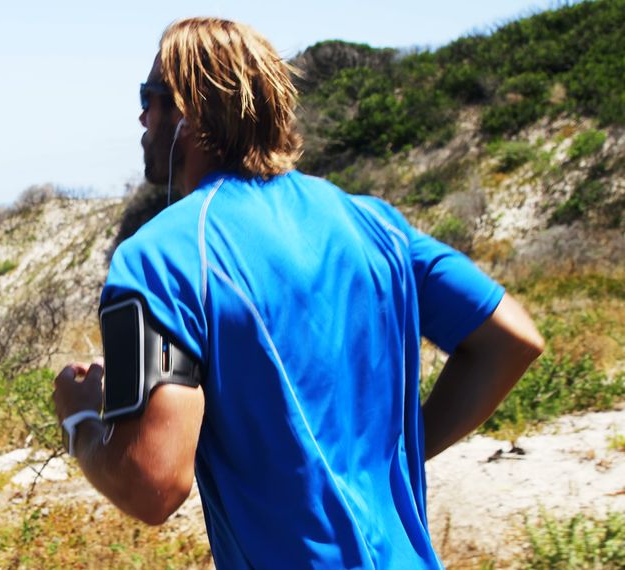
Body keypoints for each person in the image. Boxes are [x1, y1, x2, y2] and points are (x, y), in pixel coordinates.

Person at [51, 17, 544, 569]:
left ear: (189, 110)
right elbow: (512, 340)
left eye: (150, 97)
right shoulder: (375, 223)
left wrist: (79, 421)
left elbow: (153, 484)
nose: (142, 116)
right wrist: (394, 458)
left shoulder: (159, 260)